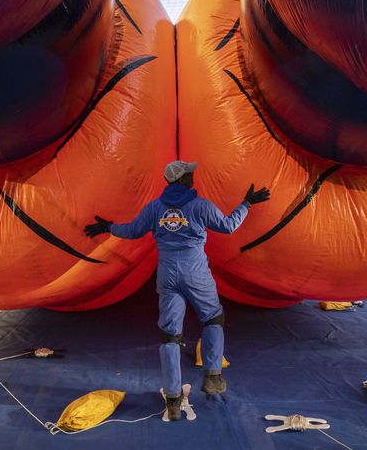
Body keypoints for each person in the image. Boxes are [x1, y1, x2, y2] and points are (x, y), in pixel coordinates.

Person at [84, 161, 270, 421]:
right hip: (195, 272)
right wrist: (246, 204)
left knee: (170, 335)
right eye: (190, 173)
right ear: (182, 179)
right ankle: (212, 376)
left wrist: (108, 227)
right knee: (213, 318)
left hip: (168, 274)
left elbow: (133, 230)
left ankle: (173, 399)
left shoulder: (154, 207)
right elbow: (228, 226)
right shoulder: (201, 205)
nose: (193, 176)